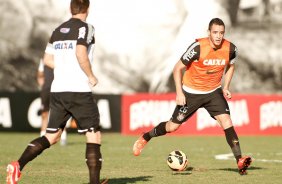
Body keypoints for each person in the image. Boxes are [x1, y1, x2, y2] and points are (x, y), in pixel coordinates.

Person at [133, 18, 252, 175]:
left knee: (226, 121)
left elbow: (231, 66)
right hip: (190, 93)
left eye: (221, 33)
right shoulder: (197, 47)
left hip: (213, 92)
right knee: (172, 127)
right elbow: (177, 68)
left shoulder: (231, 49)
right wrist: (179, 93)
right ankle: (146, 136)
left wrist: (226, 87)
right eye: (215, 32)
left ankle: (239, 160)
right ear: (208, 32)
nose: (218, 36)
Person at [6, 0, 107, 183]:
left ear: (71, 8)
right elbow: (80, 52)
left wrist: (65, 67)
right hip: (78, 90)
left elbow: (47, 59)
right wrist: (90, 75)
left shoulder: (58, 31)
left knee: (51, 136)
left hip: (58, 90)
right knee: (93, 134)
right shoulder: (87, 28)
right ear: (88, 8)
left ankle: (18, 165)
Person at [37, 58, 68, 146]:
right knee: (44, 113)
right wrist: (42, 84)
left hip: (59, 90)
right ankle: (42, 138)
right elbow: (40, 74)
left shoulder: (62, 58)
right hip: (46, 90)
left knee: (62, 114)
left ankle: (63, 137)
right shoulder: (44, 60)